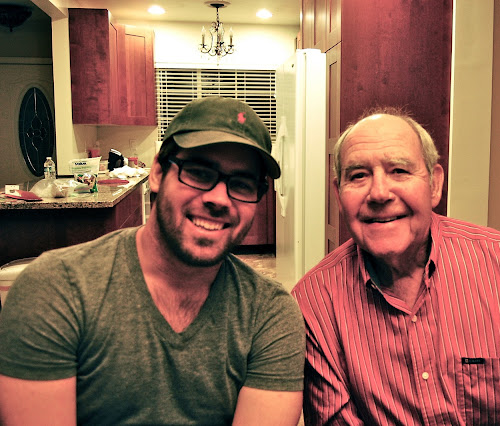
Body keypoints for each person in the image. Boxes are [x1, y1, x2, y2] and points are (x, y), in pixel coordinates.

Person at [0, 96, 305, 425]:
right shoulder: (55, 290)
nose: (219, 199)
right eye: (199, 173)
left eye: (242, 184)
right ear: (158, 173)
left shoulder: (270, 315)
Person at [291, 107, 500, 425]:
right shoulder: (313, 302)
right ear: (338, 194)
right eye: (358, 175)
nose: (379, 193)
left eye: (399, 170)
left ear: (435, 184)